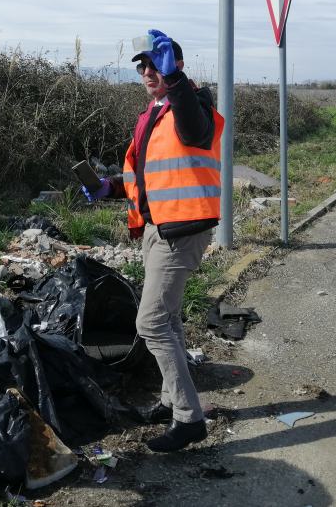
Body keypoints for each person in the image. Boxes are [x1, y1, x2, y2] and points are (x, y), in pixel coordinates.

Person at [83, 29, 223, 452]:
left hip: (182, 230)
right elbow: (147, 177)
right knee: (169, 316)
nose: (147, 71)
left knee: (151, 322)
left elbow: (196, 134)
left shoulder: (194, 104)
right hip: (156, 228)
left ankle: (189, 418)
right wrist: (108, 186)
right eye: (142, 66)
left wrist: (176, 83)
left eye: (155, 64)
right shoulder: (152, 115)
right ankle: (170, 399)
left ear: (175, 66)